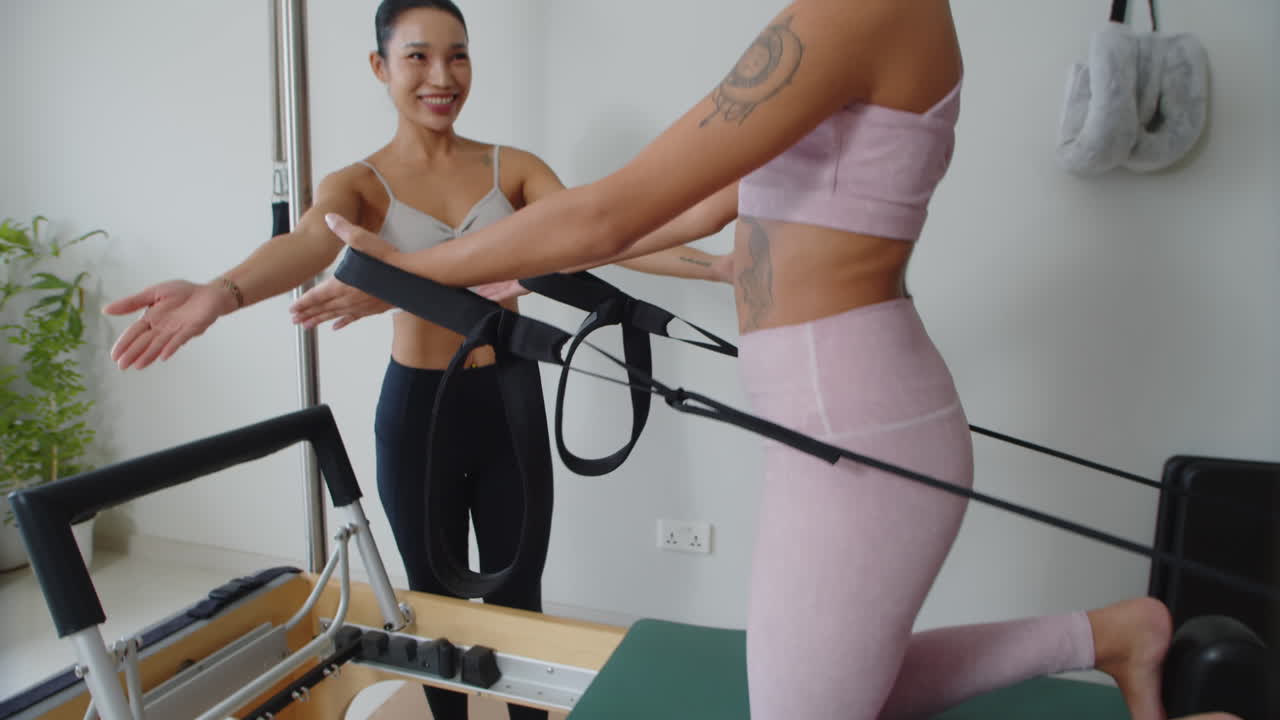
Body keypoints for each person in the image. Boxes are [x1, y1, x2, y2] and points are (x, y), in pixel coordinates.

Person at [296, 1, 1241, 719]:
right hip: (823, 414)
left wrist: (411, 272)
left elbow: (606, 211)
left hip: (859, 424)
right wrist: (343, 282)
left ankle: (1118, 637)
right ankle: (1113, 633)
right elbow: (690, 211)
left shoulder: (861, 8)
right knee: (813, 686)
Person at [103, 2, 729, 719]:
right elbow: (310, 242)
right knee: (432, 601)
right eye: (418, 56)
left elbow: (604, 235)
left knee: (519, 594)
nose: (442, 75)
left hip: (509, 400)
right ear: (380, 67)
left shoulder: (514, 169)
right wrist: (222, 291)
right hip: (419, 413)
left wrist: (715, 268)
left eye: (458, 56)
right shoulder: (361, 184)